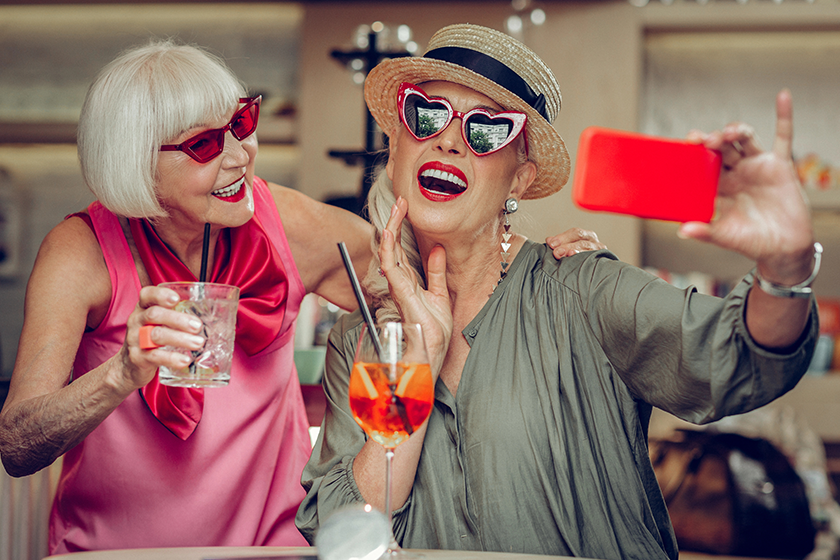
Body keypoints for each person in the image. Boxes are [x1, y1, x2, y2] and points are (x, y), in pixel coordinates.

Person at [0, 39, 599, 554]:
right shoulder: (79, 252)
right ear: (135, 162)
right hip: (113, 555)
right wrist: (121, 374)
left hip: (275, 551)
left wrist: (532, 260)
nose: (240, 155)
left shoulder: (286, 222)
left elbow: (430, 275)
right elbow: (17, 445)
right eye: (203, 146)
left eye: (241, 123)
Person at [295, 23, 820, 560]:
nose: (448, 140)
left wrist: (786, 267)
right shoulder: (359, 338)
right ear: (396, 148)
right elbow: (340, 528)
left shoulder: (583, 292)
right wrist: (418, 364)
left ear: (519, 180)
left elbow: (737, 355)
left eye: (486, 129)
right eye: (426, 115)